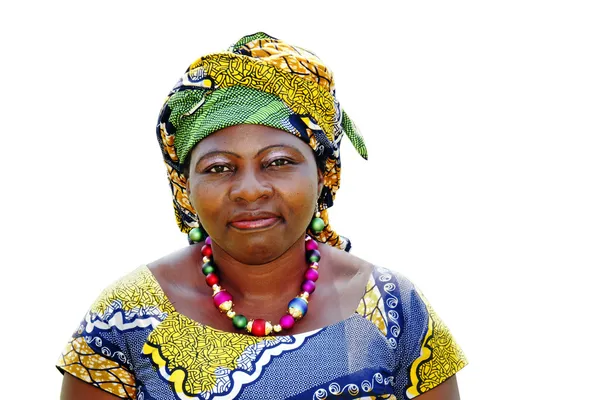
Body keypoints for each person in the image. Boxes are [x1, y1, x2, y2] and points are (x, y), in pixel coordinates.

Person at [57, 32, 467, 400]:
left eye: (278, 162)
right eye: (219, 167)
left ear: (324, 174)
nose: (250, 188)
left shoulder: (393, 308)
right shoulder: (121, 322)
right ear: (185, 187)